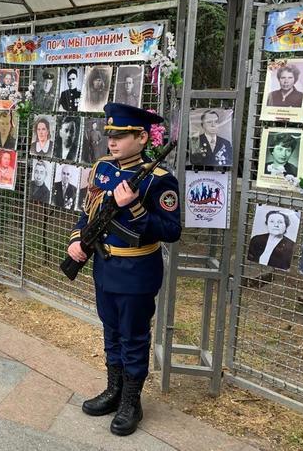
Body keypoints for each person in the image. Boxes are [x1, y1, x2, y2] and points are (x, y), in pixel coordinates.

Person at [68, 102, 181, 437]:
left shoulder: (160, 180)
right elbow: (88, 212)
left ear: (142, 137)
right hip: (105, 266)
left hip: (137, 270)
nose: (112, 142)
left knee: (134, 336)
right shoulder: (103, 169)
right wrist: (77, 240)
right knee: (111, 332)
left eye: (121, 136)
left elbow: (171, 231)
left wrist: (132, 205)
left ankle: (132, 401)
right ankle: (113, 390)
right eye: (110, 136)